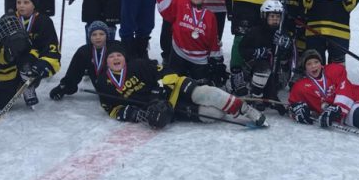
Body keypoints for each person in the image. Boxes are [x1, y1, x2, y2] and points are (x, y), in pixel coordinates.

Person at [94, 43, 267, 128]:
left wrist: (162, 87)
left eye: (119, 55)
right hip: (167, 107)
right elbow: (112, 108)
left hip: (175, 87)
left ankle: (245, 109)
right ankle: (229, 104)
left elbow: (165, 70)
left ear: (124, 57)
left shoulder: (138, 65)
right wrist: (134, 114)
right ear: (106, 61)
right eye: (111, 57)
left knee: (208, 94)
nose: (116, 59)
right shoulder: (103, 82)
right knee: (213, 114)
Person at [288, 49, 359, 140]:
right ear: (304, 68)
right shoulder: (300, 86)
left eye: (316, 62)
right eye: (309, 64)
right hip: (347, 111)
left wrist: (337, 107)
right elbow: (292, 105)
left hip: (355, 95)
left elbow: (344, 88)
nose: (314, 66)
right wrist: (296, 111)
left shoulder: (334, 69)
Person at [0, 0, 61, 109]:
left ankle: (29, 86)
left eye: (26, 2)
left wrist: (42, 65)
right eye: (19, 2)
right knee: (2, 103)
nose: (21, 6)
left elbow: (51, 48)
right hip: (11, 65)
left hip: (32, 64)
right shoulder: (8, 20)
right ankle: (17, 84)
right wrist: (7, 54)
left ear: (34, 5)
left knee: (27, 58)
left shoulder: (44, 21)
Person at [155, 0, 225, 86]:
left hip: (200, 59)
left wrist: (217, 60)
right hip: (179, 53)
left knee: (198, 89)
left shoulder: (210, 15)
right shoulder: (181, 3)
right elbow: (166, 5)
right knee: (172, 86)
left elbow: (213, 39)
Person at [237, 0, 292, 113]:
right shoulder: (255, 31)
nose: (275, 20)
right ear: (264, 16)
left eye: (278, 17)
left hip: (275, 73)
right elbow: (242, 49)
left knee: (279, 72)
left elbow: (287, 58)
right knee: (264, 67)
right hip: (255, 71)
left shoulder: (283, 33)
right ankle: (256, 95)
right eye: (272, 16)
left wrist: (286, 47)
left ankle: (270, 92)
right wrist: (256, 52)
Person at [49, 21, 121, 100]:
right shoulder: (84, 51)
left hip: (123, 87)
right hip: (100, 87)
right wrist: (64, 87)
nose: (98, 37)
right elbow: (74, 72)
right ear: (89, 37)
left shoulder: (116, 46)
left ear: (107, 36)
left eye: (101, 34)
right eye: (94, 34)